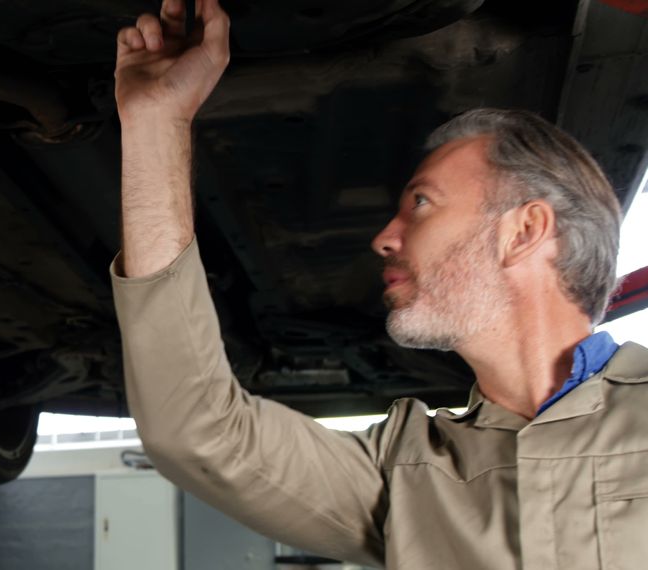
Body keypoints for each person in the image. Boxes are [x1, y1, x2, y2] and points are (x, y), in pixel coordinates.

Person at [111, 0, 646, 568]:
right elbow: (197, 429)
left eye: (421, 202)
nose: (385, 238)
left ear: (524, 231)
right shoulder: (404, 471)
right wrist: (155, 124)